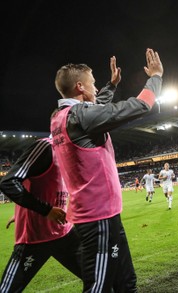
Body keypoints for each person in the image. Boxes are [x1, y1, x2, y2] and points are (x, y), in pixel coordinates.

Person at [50, 49, 163, 292]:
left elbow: (95, 107)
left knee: (126, 283)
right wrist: (156, 78)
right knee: (99, 287)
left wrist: (110, 86)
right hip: (97, 218)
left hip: (103, 216)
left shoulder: (60, 116)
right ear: (80, 87)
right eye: (93, 83)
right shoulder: (81, 116)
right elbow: (139, 106)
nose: (96, 87)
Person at [0, 137, 82, 292]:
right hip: (34, 238)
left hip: (64, 233)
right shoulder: (46, 147)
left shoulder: (69, 153)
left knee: (99, 279)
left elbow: (47, 187)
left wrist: (20, 211)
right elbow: (8, 183)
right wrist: (46, 210)